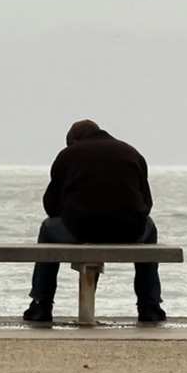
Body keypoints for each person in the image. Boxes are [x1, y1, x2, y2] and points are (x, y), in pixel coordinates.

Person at [22, 119, 166, 326]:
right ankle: (149, 306)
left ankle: (41, 304)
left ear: (73, 140)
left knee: (47, 228)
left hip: (81, 230)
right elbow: (147, 204)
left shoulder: (68, 155)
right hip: (128, 231)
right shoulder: (131, 153)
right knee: (150, 228)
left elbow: (51, 205)